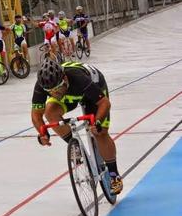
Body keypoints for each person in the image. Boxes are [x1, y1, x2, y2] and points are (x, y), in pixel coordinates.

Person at [31, 59, 123, 195]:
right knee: (49, 112)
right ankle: (76, 147)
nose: (55, 93)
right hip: (70, 93)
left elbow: (104, 103)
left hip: (92, 89)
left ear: (65, 78)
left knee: (100, 132)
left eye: (57, 88)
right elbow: (36, 114)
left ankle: (114, 174)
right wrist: (42, 132)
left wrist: (97, 122)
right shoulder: (43, 85)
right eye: (50, 91)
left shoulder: (78, 78)